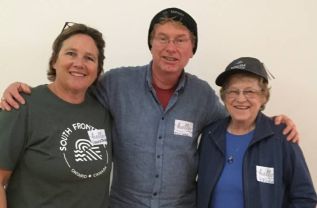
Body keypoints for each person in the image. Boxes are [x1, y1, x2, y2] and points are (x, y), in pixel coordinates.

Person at [0, 8, 299, 208]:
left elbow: (238, 123)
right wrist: (21, 90)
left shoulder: (204, 96)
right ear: (151, 44)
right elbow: (72, 85)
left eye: (181, 40)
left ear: (192, 49)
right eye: (163, 38)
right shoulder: (115, 83)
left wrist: (271, 121)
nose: (171, 48)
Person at [0, 23, 112, 208]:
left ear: (98, 69)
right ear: (54, 60)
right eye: (71, 53)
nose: (79, 63)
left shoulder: (103, 110)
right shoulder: (22, 105)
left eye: (89, 58)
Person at [197, 57, 317, 208]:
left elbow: (305, 198)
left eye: (249, 91)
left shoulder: (281, 137)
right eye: (233, 91)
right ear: (224, 96)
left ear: (263, 96)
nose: (240, 99)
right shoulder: (210, 135)